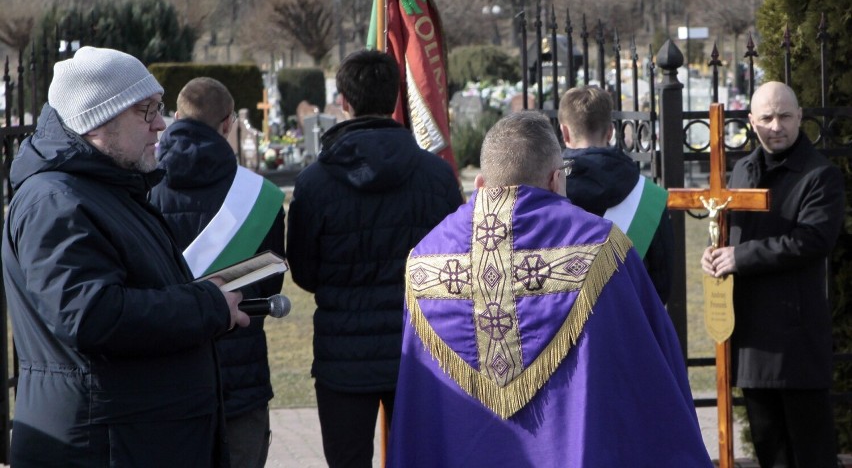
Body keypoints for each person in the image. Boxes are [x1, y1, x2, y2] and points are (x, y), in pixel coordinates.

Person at [388, 111, 712, 467]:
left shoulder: (424, 259)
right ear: (557, 179)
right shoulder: (600, 248)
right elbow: (648, 367)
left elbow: (418, 398)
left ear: (480, 184)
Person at [1, 47, 250, 466]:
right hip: (104, 446)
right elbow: (92, 314)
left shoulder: (109, 189)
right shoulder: (56, 201)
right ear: (97, 119)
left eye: (159, 108)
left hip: (134, 438)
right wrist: (206, 306)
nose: (160, 124)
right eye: (145, 111)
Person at [286, 49, 463, 467]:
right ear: (395, 98)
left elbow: (306, 271)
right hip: (419, 349)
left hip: (346, 357)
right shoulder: (437, 177)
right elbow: (456, 263)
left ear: (343, 102)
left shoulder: (313, 184)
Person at [701, 81, 844, 467]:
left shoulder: (820, 175)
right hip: (751, 337)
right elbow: (731, 234)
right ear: (751, 121)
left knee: (810, 455)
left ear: (800, 117)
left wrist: (740, 257)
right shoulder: (744, 170)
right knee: (770, 452)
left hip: (796, 340)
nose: (775, 125)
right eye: (766, 117)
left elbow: (812, 240)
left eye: (784, 116)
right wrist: (715, 254)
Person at [150, 77, 286, 468]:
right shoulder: (260, 197)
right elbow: (267, 283)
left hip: (165, 372)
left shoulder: (142, 187)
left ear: (175, 117)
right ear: (228, 124)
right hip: (239, 378)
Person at [558, 86, 674, 303]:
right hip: (628, 328)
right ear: (611, 132)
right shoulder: (649, 198)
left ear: (564, 132)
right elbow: (662, 286)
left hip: (563, 334)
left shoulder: (546, 193)